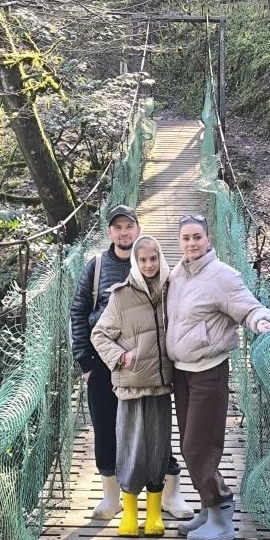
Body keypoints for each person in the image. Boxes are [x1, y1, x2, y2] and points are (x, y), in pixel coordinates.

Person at [70, 205, 192, 520]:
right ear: (109, 232)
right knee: (106, 427)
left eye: (129, 226)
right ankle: (111, 497)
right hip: (103, 361)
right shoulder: (96, 266)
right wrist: (84, 360)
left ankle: (169, 491)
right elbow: (79, 311)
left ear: (138, 230)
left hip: (148, 363)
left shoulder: (157, 268)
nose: (124, 232)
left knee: (155, 427)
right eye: (117, 227)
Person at [165, 213, 270, 540]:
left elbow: (248, 307)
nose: (191, 243)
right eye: (185, 238)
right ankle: (207, 508)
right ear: (179, 242)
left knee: (200, 445)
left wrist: (262, 322)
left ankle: (222, 512)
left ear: (208, 239)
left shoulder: (223, 275)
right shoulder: (177, 274)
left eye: (197, 237)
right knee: (189, 445)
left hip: (208, 371)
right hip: (182, 372)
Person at [91, 234, 173, 536]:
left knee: (158, 449)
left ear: (160, 258)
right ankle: (129, 514)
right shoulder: (121, 295)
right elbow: (99, 335)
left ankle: (153, 514)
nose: (149, 264)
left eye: (153, 258)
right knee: (129, 447)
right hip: (130, 384)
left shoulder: (172, 289)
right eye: (143, 259)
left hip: (162, 385)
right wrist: (121, 356)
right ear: (135, 263)